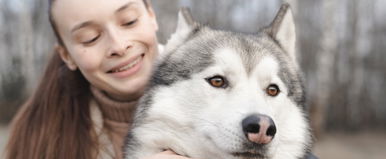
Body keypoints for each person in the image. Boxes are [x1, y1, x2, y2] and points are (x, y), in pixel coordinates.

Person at [4, 0, 191, 159]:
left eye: (129, 22)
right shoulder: (39, 139)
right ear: (67, 55)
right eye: (90, 38)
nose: (119, 45)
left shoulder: (214, 92)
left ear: (151, 16)